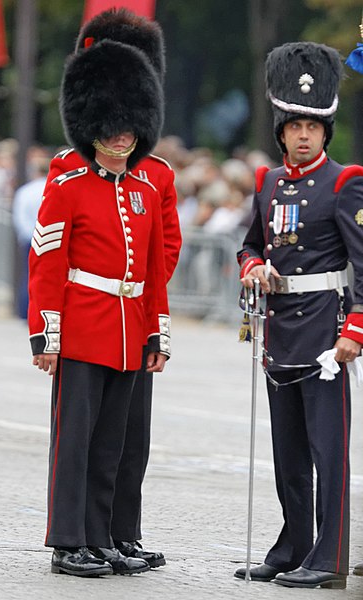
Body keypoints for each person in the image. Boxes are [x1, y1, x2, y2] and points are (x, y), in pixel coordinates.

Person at [28, 14, 171, 578]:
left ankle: (101, 536)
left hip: (129, 328)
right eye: (113, 129)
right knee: (75, 444)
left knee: (112, 444)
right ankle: (68, 540)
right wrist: (47, 333)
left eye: (129, 129)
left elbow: (153, 269)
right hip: (83, 325)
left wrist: (156, 329)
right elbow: (47, 261)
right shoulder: (68, 185)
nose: (122, 138)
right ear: (92, 126)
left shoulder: (141, 186)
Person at [234, 42, 363, 589]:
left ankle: (329, 554)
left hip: (326, 335)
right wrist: (254, 266)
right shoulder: (267, 183)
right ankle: (293, 544)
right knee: (287, 453)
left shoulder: (344, 181)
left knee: (326, 451)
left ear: (324, 131)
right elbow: (248, 245)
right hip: (278, 330)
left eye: (312, 126)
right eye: (294, 126)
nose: (304, 135)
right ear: (281, 131)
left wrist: (355, 331)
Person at [12, 156, 49, 319]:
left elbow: (19, 216)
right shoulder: (50, 188)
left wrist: (27, 234)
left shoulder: (24, 191)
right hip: (47, 238)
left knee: (28, 275)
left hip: (29, 236)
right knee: (45, 277)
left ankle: (24, 311)